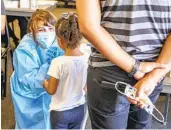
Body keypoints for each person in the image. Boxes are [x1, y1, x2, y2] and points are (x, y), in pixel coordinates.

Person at [77, 0, 171, 129]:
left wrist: (137, 69)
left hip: (110, 70)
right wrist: (154, 75)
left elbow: (88, 25)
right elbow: (88, 26)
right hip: (153, 69)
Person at [10, 9, 64, 129]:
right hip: (30, 93)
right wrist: (49, 65)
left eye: (50, 29)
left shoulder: (57, 42)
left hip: (49, 87)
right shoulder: (24, 50)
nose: (47, 33)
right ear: (32, 32)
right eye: (41, 30)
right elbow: (33, 82)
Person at [42, 13, 88, 129]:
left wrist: (45, 84)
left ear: (59, 40)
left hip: (60, 112)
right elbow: (86, 88)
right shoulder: (87, 58)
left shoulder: (58, 62)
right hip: (79, 109)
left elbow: (52, 90)